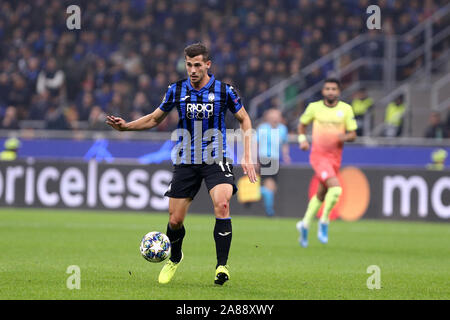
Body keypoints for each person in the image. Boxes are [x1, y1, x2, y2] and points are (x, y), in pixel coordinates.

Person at [106, 43, 257, 285]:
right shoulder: (176, 90)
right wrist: (126, 126)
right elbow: (155, 118)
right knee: (175, 220)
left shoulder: (224, 91)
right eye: (189, 65)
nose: (193, 70)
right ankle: (175, 257)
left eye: (198, 65)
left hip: (215, 158)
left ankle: (222, 266)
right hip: (186, 161)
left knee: (222, 204)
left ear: (208, 64)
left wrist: (247, 155)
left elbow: (245, 119)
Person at [295, 78, 357, 248]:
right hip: (318, 157)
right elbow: (302, 125)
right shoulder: (314, 107)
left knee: (322, 194)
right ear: (323, 91)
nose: (330, 91)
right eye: (327, 88)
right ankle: (324, 221)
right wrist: (302, 140)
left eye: (333, 89)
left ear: (338, 92)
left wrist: (343, 137)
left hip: (335, 158)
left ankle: (305, 224)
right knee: (336, 189)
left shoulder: (346, 109)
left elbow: (353, 134)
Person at [256, 108, 290, 216]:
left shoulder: (283, 129)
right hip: (264, 158)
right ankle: (269, 211)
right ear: (268, 118)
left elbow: (284, 143)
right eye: (273, 117)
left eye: (277, 117)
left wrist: (285, 155)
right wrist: (254, 159)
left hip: (275, 159)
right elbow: (255, 143)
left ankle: (258, 193)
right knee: (269, 184)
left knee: (272, 188)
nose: (275, 119)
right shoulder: (262, 128)